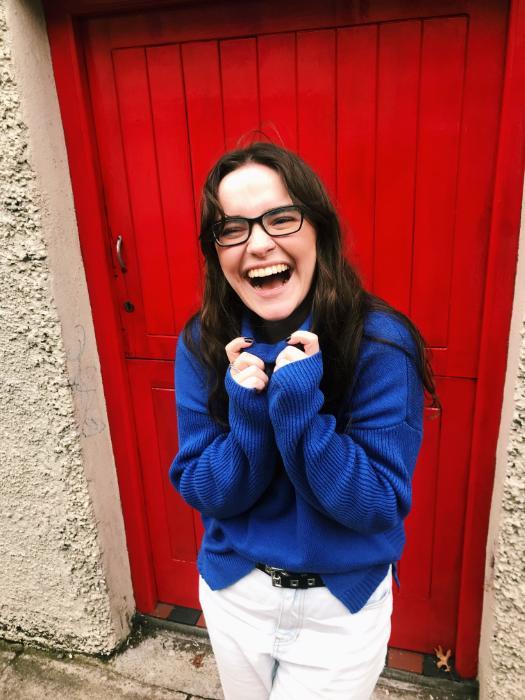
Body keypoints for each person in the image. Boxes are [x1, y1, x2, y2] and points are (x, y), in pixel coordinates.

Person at [169, 142, 439, 699]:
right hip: (234, 591)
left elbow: (376, 504)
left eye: (281, 218)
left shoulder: (381, 343)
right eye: (233, 229)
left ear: (318, 228)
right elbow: (204, 488)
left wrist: (296, 410)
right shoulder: (201, 343)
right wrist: (250, 416)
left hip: (339, 608)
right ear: (216, 252)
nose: (260, 243)